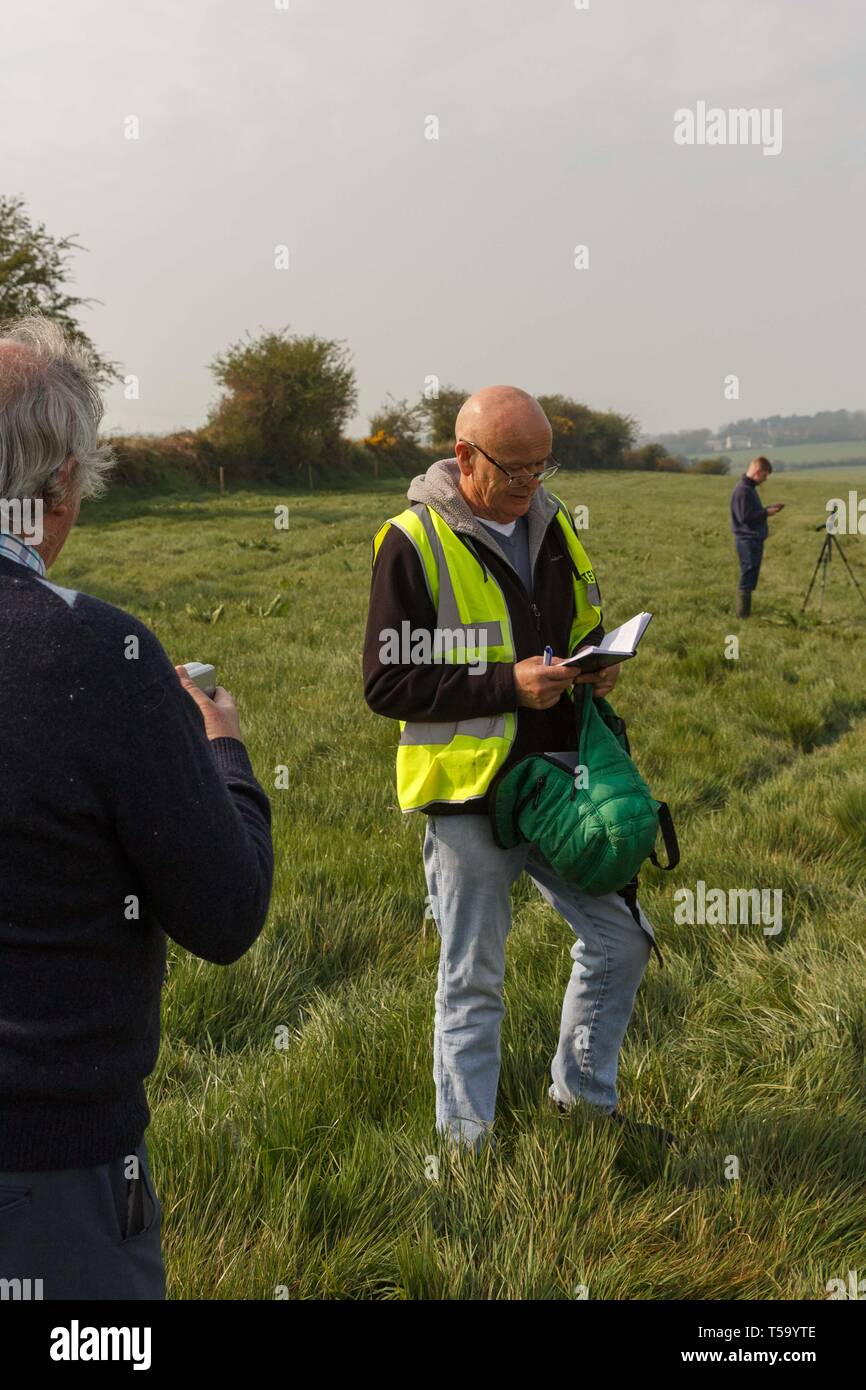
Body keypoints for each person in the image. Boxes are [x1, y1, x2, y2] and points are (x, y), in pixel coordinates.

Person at [0, 316, 274, 1299]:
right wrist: (225, 752)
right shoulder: (96, 655)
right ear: (64, 485)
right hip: (49, 1178)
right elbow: (226, 912)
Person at [363, 385, 667, 1152]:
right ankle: (466, 1151)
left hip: (563, 784)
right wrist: (508, 684)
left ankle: (585, 1106)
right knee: (473, 980)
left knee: (621, 941)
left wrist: (599, 664)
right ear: (465, 457)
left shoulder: (555, 520)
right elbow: (386, 683)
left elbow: (581, 623)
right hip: (471, 796)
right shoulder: (411, 540)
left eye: (543, 464)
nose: (535, 481)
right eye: (517, 467)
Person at [730, 455, 784, 617]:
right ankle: (742, 616)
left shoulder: (748, 489)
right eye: (765, 475)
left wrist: (767, 509)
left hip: (752, 540)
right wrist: (767, 512)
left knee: (750, 575)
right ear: (758, 471)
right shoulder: (743, 491)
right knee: (747, 575)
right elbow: (744, 517)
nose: (765, 479)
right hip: (747, 540)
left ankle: (745, 613)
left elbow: (750, 513)